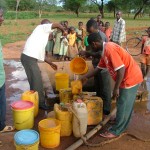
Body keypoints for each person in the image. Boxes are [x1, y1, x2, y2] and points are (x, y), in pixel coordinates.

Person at [84, 32, 143, 138]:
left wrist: (116, 89)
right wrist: (85, 77)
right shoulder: (105, 51)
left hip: (130, 78)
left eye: (91, 47)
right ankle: (121, 122)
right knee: (123, 104)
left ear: (94, 44)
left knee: (123, 104)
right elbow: (98, 69)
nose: (91, 50)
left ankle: (116, 130)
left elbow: (121, 69)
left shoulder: (109, 49)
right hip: (127, 77)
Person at [21, 19, 65, 110]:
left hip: (28, 58)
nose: (51, 32)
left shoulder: (41, 36)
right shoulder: (42, 27)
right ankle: (40, 104)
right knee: (37, 82)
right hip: (29, 59)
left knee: (34, 81)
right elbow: (57, 24)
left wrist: (51, 63)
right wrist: (64, 31)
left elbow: (42, 55)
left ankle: (34, 102)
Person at [80, 19, 111, 116]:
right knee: (98, 87)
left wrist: (88, 53)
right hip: (97, 65)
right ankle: (98, 105)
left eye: (89, 30)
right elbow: (94, 52)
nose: (88, 31)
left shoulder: (101, 37)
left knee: (105, 89)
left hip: (104, 68)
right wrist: (88, 55)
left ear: (93, 27)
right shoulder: (93, 37)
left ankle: (106, 110)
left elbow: (101, 54)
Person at [0, 8, 14, 138]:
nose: (3, 18)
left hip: (1, 78)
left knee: (2, 102)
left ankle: (1, 126)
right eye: (1, 16)